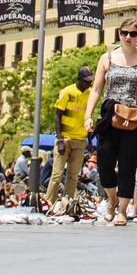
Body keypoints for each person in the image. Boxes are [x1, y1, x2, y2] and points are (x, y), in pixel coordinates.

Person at [86, 20, 137, 225]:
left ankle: (123, 211)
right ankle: (112, 200)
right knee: (104, 162)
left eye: (133, 34)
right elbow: (96, 89)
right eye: (124, 33)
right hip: (110, 116)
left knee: (128, 164)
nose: (128, 37)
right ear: (119, 34)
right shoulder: (107, 58)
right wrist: (88, 115)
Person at [45, 66, 92, 211]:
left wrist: (90, 141)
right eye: (86, 81)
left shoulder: (90, 94)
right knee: (57, 174)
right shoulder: (67, 92)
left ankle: (67, 203)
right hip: (65, 139)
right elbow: (57, 117)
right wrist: (59, 139)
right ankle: (49, 203)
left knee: (73, 176)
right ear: (79, 79)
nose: (88, 83)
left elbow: (89, 118)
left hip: (80, 139)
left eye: (90, 81)